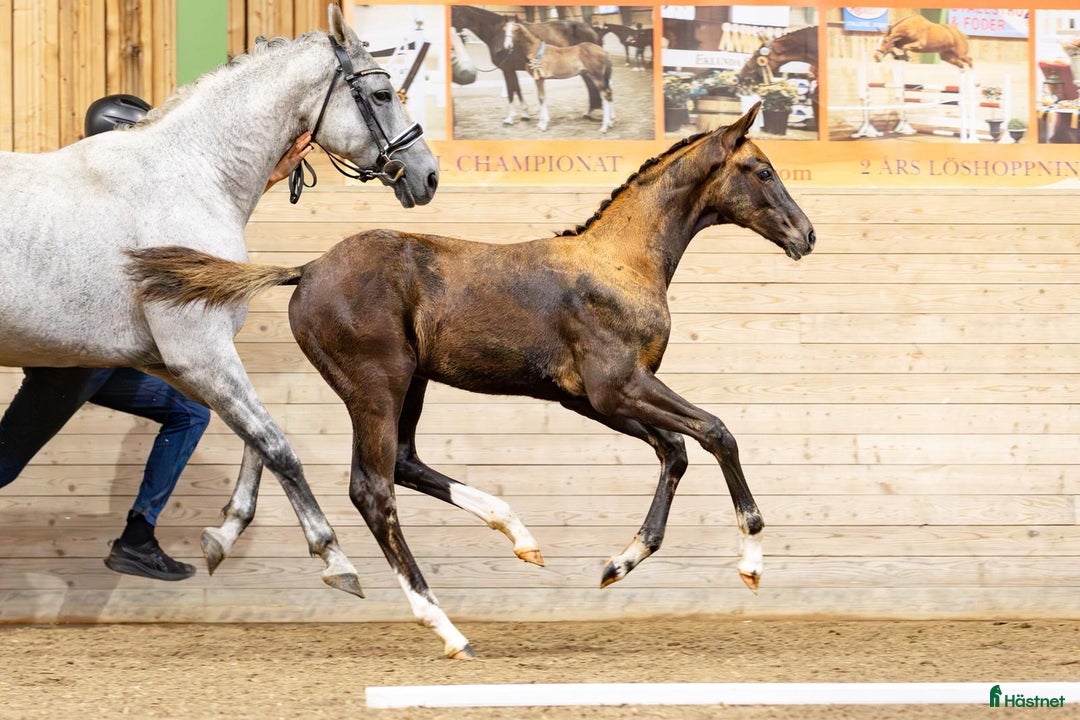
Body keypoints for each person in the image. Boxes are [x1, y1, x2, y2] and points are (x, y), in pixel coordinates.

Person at [0, 94, 312, 581]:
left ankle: (138, 539)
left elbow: (193, 235)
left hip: (104, 364)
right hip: (76, 368)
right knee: (5, 463)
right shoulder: (106, 202)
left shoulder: (116, 196)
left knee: (189, 412)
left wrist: (268, 179)